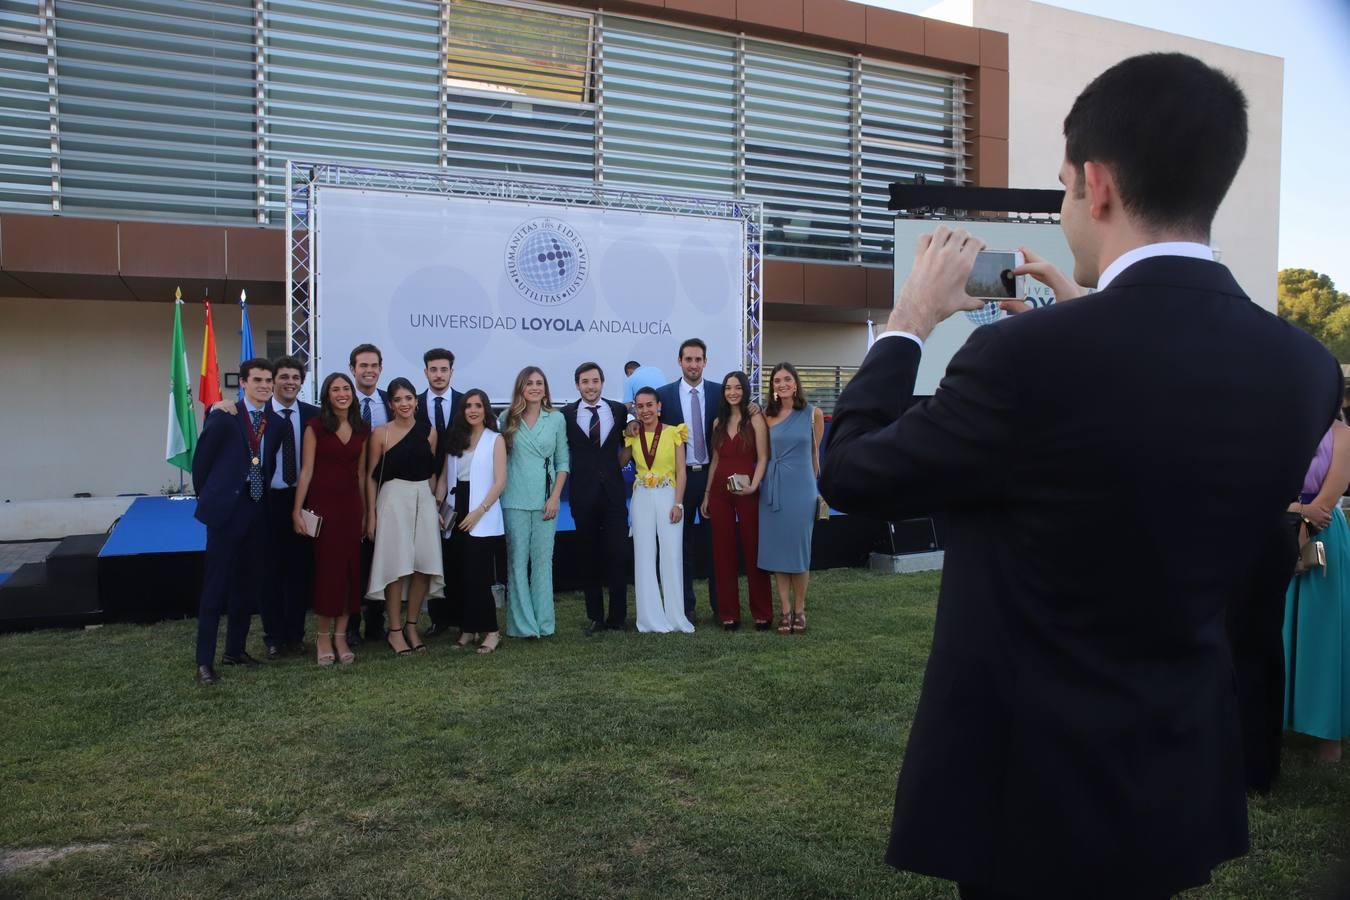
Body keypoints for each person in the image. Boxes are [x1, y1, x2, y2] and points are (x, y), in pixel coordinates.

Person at [819, 52, 1341, 900]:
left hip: (1029, 793)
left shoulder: (1020, 359)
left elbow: (853, 473)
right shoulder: (1304, 369)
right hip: (1174, 777)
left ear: (1095, 185)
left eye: (1064, 189)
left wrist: (908, 323)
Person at [206, 356, 319, 658]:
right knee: (268, 571)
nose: (289, 382)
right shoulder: (253, 413)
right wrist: (214, 406)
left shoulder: (313, 415)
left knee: (299, 571)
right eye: (282, 377)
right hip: (265, 501)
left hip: (301, 500)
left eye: (295, 377)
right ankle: (273, 636)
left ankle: (295, 635)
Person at [190, 358, 280, 684]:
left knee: (247, 585)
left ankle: (235, 650)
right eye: (257, 380)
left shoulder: (275, 421)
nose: (265, 385)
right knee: (216, 587)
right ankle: (204, 662)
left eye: (269, 380)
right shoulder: (225, 417)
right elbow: (201, 465)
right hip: (227, 513)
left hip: (257, 511)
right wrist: (213, 497)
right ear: (243, 382)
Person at [291, 372, 369, 666]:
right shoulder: (316, 427)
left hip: (351, 507)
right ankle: (322, 636)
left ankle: (341, 635)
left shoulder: (363, 429)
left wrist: (366, 512)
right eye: (335, 389)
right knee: (327, 572)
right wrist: (297, 510)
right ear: (327, 395)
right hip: (323, 507)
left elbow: (362, 474)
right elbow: (306, 471)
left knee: (350, 572)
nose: (342, 393)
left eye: (346, 388)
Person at [1284, 420, 1350, 764]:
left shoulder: (1343, 434)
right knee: (1276, 629)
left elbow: (1332, 490)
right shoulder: (1276, 424)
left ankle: (1329, 737)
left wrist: (1307, 521)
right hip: (1277, 528)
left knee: (1325, 631)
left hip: (1324, 532)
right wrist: (1296, 512)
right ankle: (1275, 721)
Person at [365, 376, 444, 655]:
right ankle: (395, 631)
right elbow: (371, 477)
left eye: (409, 398)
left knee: (424, 564)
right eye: (398, 399)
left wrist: (436, 506)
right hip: (392, 501)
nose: (404, 404)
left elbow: (432, 472)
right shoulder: (381, 434)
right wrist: (371, 515)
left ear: (416, 401)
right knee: (395, 566)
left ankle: (412, 625)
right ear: (391, 404)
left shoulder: (429, 432)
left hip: (423, 498)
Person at [561, 362, 631, 634]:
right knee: (588, 556)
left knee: (618, 554)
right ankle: (595, 617)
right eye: (585, 382)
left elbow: (628, 441)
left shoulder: (617, 410)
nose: (590, 386)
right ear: (577, 385)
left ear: (602, 383)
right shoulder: (565, 415)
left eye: (595, 381)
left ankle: (617, 617)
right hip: (582, 495)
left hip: (614, 495)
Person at [500, 366, 569, 639]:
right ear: (521, 388)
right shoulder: (506, 418)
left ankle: (544, 623)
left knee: (543, 562)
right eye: (529, 383)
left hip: (546, 500)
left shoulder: (556, 419)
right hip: (514, 499)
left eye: (540, 383)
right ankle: (522, 625)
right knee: (517, 562)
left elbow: (563, 462)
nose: (535, 387)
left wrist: (554, 497)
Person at [437, 389, 508, 655]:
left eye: (478, 405)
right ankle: (468, 628)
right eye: (468, 406)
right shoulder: (456, 439)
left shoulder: (495, 439)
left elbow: (500, 481)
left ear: (486, 409)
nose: (473, 410)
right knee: (459, 574)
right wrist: (439, 508)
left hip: (482, 511)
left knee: (479, 576)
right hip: (455, 510)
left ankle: (491, 631)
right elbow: (445, 478)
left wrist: (479, 511)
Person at [700, 371, 772, 630]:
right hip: (719, 493)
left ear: (744, 390)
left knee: (753, 550)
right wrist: (707, 494)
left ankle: (762, 612)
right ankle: (729, 614)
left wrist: (754, 485)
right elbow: (715, 460)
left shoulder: (755, 418)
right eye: (728, 388)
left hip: (748, 490)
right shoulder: (718, 422)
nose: (732, 392)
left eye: (737, 388)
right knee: (723, 553)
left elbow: (763, 457)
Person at [620, 387, 693, 634]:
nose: (646, 410)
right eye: (640, 406)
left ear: (659, 406)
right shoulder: (632, 434)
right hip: (641, 496)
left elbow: (681, 471)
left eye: (649, 405)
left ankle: (675, 616)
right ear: (635, 409)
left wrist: (678, 503)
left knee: (671, 555)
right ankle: (649, 617)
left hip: (668, 494)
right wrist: (627, 427)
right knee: (644, 555)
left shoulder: (674, 433)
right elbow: (620, 462)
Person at [655, 339, 719, 622]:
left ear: (705, 362)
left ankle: (721, 606)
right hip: (678, 480)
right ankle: (685, 606)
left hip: (712, 477)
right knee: (678, 546)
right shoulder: (663, 396)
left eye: (698, 359)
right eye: (688, 359)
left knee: (717, 544)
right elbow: (646, 423)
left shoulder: (720, 393)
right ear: (679, 361)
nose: (693, 364)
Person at [758, 363, 824, 635]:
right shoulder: (765, 416)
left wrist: (817, 490)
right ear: (772, 386)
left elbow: (814, 455)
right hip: (772, 489)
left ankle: (800, 610)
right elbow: (762, 454)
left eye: (787, 379)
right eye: (777, 380)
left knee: (799, 552)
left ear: (796, 383)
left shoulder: (813, 414)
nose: (782, 384)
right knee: (777, 553)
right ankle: (784, 612)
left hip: (801, 489)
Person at [415, 347, 465, 638]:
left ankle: (461, 614)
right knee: (433, 554)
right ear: (426, 372)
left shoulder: (464, 402)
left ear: (451, 372)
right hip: (424, 488)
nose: (438, 374)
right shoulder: (414, 403)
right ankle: (438, 618)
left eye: (443, 369)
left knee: (460, 554)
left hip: (461, 489)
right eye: (433, 370)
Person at [349, 343, 391, 647]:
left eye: (374, 365)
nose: (369, 371)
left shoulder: (394, 401)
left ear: (381, 368)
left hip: (387, 492)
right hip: (349, 493)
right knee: (352, 562)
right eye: (363, 365)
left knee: (382, 559)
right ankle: (351, 624)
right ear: (353, 369)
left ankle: (377, 623)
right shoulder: (340, 401)